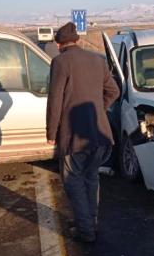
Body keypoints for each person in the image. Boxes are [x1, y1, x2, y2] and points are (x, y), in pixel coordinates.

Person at [46, 22, 120, 243]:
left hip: (74, 136)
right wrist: (98, 108)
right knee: (90, 177)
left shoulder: (60, 62)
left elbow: (55, 100)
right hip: (100, 134)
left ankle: (85, 230)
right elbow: (114, 91)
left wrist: (51, 132)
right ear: (77, 40)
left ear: (59, 44)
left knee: (73, 181)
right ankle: (91, 222)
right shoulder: (98, 60)